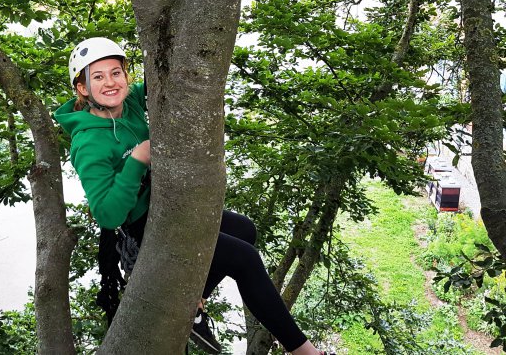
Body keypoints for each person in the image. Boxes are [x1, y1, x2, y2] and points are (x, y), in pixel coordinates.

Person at [54, 37, 331, 355]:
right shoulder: (88, 142)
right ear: (83, 89)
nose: (110, 82)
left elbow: (165, 82)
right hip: (144, 228)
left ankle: (190, 301)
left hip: (166, 208)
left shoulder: (128, 105)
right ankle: (305, 352)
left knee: (244, 230)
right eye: (98, 77)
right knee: (244, 258)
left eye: (116, 72)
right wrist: (137, 161)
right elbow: (107, 214)